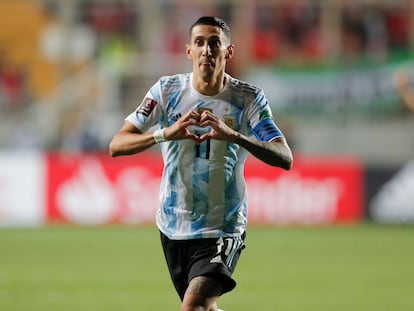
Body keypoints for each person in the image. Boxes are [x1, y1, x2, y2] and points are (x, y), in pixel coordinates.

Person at [109, 16, 293, 311]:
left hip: (223, 226)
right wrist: (164, 133)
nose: (206, 49)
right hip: (173, 226)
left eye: (214, 43)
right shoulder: (166, 92)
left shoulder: (248, 99)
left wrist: (235, 136)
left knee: (193, 307)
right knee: (205, 308)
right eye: (199, 43)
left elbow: (284, 157)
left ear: (227, 52)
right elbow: (117, 144)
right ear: (189, 51)